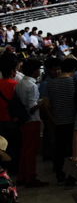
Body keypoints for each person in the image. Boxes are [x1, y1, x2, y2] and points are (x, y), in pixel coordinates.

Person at [14, 60, 46, 188]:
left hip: (22, 120)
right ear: (34, 71)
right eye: (38, 69)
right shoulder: (32, 86)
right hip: (32, 120)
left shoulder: (20, 83)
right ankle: (30, 177)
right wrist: (42, 103)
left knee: (25, 149)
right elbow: (32, 106)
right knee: (31, 150)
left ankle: (21, 176)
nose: (39, 71)